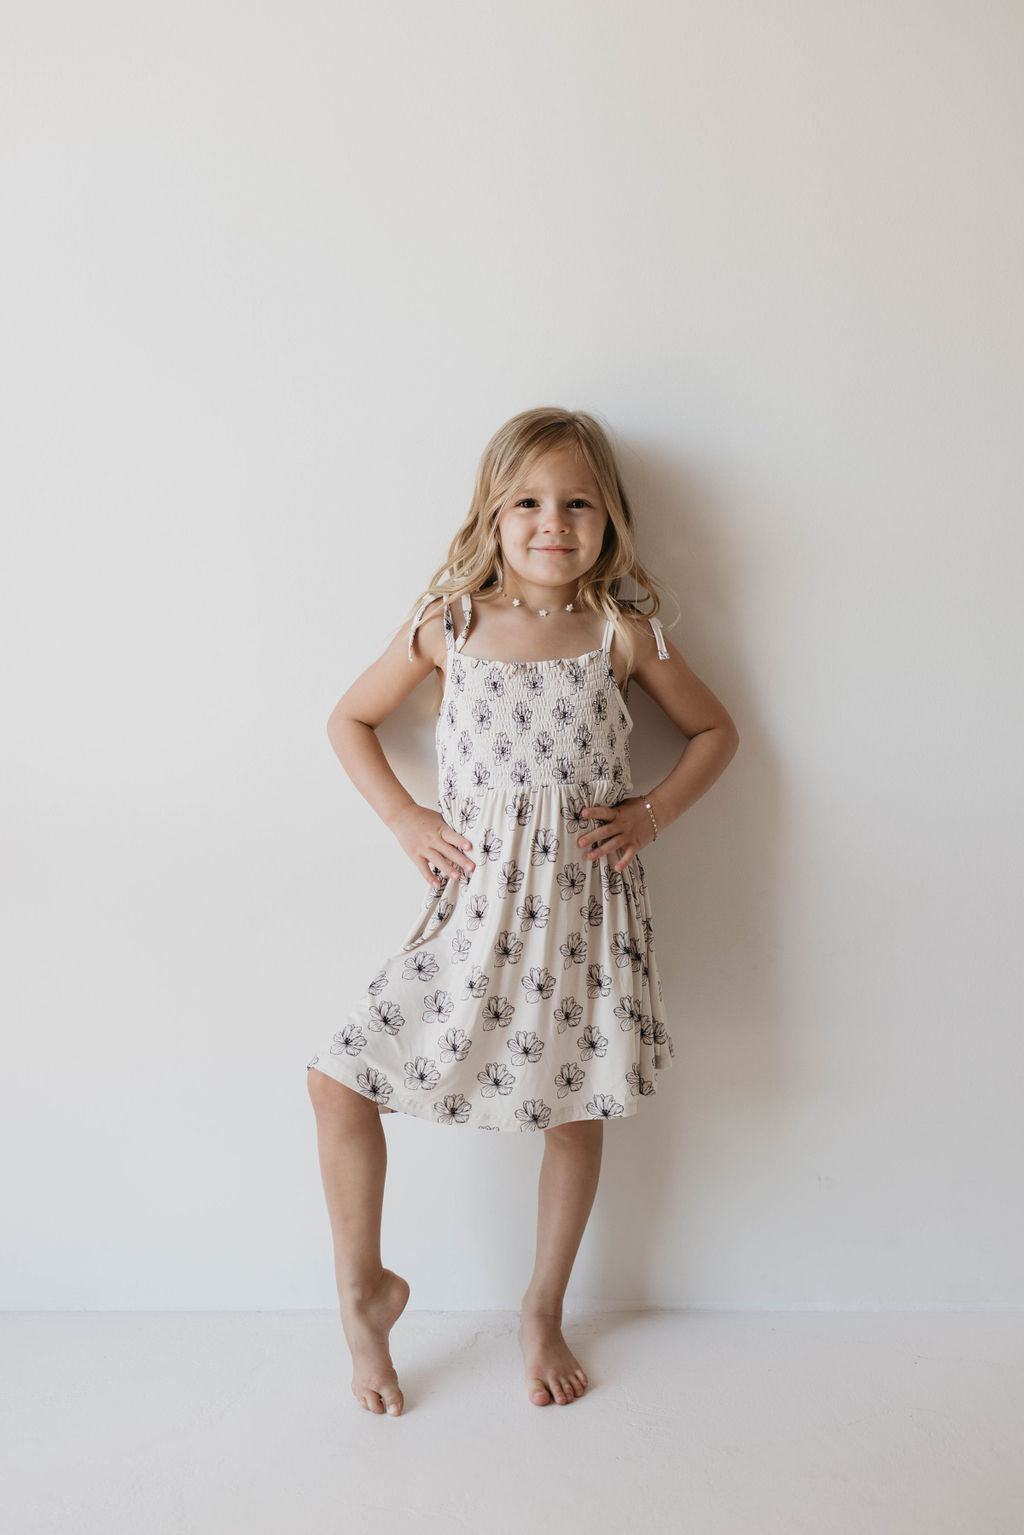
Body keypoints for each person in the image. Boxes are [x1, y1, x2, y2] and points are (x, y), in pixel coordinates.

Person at [306, 406, 740, 1417]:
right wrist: (405, 813)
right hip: (472, 914)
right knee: (336, 1079)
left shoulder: (621, 632)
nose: (554, 522)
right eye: (530, 502)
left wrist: (652, 812)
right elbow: (350, 717)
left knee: (574, 1112)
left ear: (610, 519)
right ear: (492, 516)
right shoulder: (447, 624)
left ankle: (542, 1310)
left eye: (578, 502)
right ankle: (363, 1290)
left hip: (583, 915)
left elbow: (715, 730)